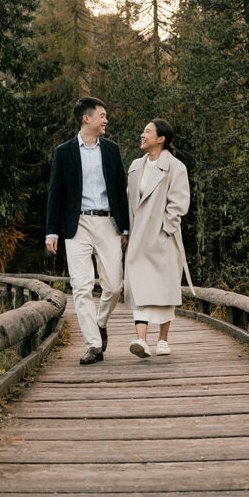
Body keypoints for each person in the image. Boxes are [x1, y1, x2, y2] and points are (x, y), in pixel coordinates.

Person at [46, 97, 129, 364]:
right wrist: (51, 232)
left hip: (108, 224)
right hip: (77, 225)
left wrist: (125, 227)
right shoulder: (64, 152)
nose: (106, 120)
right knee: (80, 287)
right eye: (102, 115)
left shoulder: (112, 150)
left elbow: (120, 190)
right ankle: (94, 345)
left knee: (114, 286)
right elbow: (55, 193)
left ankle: (100, 322)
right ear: (87, 118)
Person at [125, 118, 193, 358]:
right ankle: (141, 341)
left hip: (163, 238)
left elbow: (179, 203)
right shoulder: (135, 167)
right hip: (138, 239)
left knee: (164, 289)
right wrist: (127, 233)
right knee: (140, 287)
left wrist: (165, 230)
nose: (142, 135)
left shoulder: (175, 167)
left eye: (147, 131)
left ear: (161, 138)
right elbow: (129, 203)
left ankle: (162, 339)